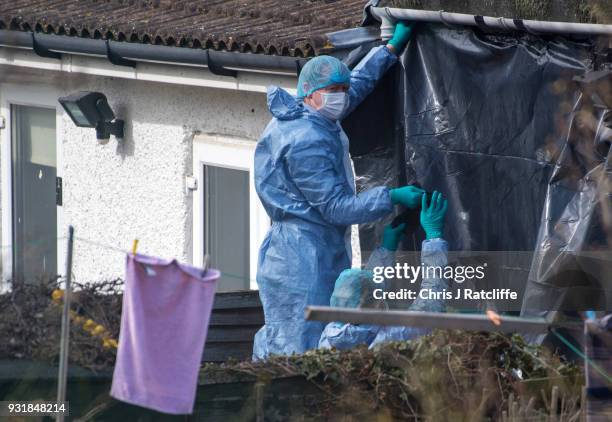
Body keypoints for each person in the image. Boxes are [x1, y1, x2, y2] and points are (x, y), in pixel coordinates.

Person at [253, 22, 418, 359]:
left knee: (326, 334)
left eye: (342, 88)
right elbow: (336, 208)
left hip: (316, 244)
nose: (341, 96)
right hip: (300, 257)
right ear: (311, 93)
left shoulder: (310, 114)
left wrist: (388, 51)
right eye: (333, 90)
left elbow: (352, 89)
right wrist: (391, 197)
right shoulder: (304, 141)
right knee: (300, 349)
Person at [319, 192, 449, 350]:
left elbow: (364, 290)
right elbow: (430, 305)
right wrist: (434, 238)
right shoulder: (387, 337)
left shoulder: (329, 337)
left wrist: (387, 248)